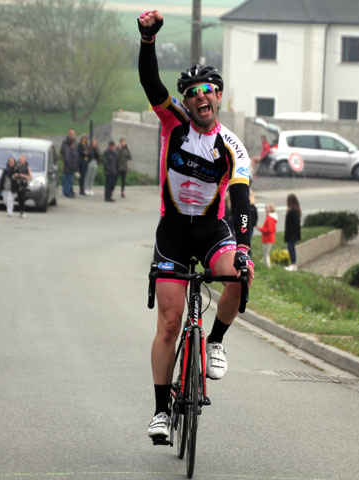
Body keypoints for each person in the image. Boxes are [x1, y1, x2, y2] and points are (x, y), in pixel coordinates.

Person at [138, 9, 255, 443]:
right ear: (185, 102)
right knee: (169, 322)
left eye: (208, 90)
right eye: (192, 92)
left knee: (239, 276)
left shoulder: (233, 147)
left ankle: (216, 341)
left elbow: (240, 199)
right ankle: (160, 411)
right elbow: (152, 84)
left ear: (219, 97)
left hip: (209, 229)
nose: (200, 97)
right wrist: (147, 41)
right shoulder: (174, 124)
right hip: (172, 230)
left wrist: (242, 248)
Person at [284, 193, 301, 271]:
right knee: (291, 248)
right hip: (294, 233)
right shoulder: (295, 210)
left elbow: (290, 224)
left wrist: (288, 234)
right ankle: (293, 264)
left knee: (290, 248)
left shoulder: (292, 211)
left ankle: (293, 264)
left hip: (292, 234)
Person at [258, 203, 277, 268]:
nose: (266, 209)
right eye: (265, 208)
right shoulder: (269, 217)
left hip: (268, 239)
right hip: (267, 239)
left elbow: (269, 230)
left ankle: (268, 268)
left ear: (271, 209)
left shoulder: (270, 218)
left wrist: (260, 229)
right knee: (265, 255)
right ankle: (266, 266)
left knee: (266, 255)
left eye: (267, 208)